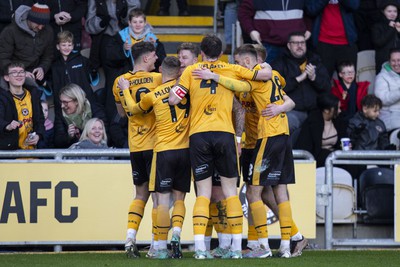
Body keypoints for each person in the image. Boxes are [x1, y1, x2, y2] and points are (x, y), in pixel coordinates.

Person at [193, 43, 306, 258]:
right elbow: (287, 97)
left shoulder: (255, 77)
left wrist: (214, 76)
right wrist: (281, 107)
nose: (236, 65)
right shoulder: (271, 75)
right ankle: (287, 243)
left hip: (266, 138)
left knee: (254, 192)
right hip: (270, 138)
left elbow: (248, 85)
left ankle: (261, 246)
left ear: (247, 61)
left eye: (237, 62)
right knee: (274, 192)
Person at [169, 34, 272, 259]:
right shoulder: (230, 68)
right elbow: (264, 74)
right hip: (225, 135)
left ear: (202, 53)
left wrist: (179, 84)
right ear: (222, 52)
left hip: (199, 136)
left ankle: (199, 250)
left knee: (203, 194)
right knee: (230, 193)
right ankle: (235, 249)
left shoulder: (190, 71)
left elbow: (174, 100)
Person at [119, 56, 190, 259]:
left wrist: (125, 89)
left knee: (160, 199)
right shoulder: (187, 92)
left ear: (161, 70)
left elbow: (132, 111)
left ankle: (158, 247)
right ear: (179, 73)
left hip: (162, 150)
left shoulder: (152, 94)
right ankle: (176, 234)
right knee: (179, 199)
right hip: (184, 150)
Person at [112, 41, 162, 259]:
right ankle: (155, 245)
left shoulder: (119, 82)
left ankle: (130, 238)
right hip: (156, 145)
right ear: (145, 58)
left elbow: (122, 114)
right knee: (159, 197)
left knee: (140, 194)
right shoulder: (159, 79)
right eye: (154, 56)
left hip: (136, 145)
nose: (157, 59)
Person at [271, 31, 331, 145]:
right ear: (289, 45)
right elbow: (274, 89)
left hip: (315, 111)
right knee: (288, 123)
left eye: (302, 43)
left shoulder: (315, 61)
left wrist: (314, 78)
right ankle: (287, 157)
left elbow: (327, 88)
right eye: (296, 43)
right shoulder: (280, 63)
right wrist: (299, 78)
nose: (300, 46)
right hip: (292, 111)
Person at [51, 31, 104, 120]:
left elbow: (93, 76)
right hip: (66, 104)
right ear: (57, 46)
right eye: (63, 45)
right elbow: (53, 86)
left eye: (69, 45)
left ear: (73, 46)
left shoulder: (82, 60)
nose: (66, 48)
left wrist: (93, 71)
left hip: (84, 100)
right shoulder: (54, 66)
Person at [0, 3, 53, 88]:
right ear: (30, 19)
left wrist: (42, 68)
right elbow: (3, 58)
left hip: (33, 74)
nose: (40, 27)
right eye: (38, 23)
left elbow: (48, 56)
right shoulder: (10, 31)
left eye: (43, 25)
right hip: (12, 72)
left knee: (38, 95)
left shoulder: (48, 31)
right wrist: (20, 72)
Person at [238, 0, 310, 63]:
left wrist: (309, 28)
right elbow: (243, 13)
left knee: (297, 77)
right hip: (268, 44)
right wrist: (251, 31)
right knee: (264, 76)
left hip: (295, 44)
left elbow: (310, 11)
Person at [305, 0, 360, 78]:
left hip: (347, 44)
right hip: (323, 43)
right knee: (322, 83)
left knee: (348, 84)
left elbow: (354, 5)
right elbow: (310, 9)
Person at [0, 62, 44, 150]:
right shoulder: (2, 98)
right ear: (6, 77)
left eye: (21, 72)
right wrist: (7, 126)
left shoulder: (33, 94)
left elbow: (40, 120)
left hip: (33, 152)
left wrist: (38, 135)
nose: (19, 75)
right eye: (14, 72)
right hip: (11, 153)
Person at [295, 93, 342, 167]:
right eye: (337, 108)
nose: (339, 111)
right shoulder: (313, 122)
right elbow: (307, 149)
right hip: (317, 160)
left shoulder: (337, 120)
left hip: (334, 156)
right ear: (326, 110)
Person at [53, 83, 102, 148]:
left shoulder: (95, 109)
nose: (62, 106)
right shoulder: (60, 114)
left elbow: (105, 134)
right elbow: (57, 141)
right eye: (61, 102)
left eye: (65, 102)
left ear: (76, 101)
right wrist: (69, 136)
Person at [331, 60, 369, 137]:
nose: (350, 75)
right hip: (342, 120)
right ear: (340, 74)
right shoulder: (335, 89)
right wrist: (343, 99)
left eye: (352, 72)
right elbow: (335, 107)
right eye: (347, 73)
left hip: (357, 119)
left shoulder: (360, 88)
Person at [374, 48, 400, 132]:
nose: (396, 63)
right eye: (393, 60)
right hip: (391, 116)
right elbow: (382, 99)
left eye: (399, 60)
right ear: (389, 61)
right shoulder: (382, 77)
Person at [371, 0, 400, 73]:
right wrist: (391, 29)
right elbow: (378, 42)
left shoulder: (398, 25)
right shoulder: (377, 26)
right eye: (389, 11)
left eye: (395, 11)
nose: (393, 14)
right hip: (384, 62)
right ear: (383, 12)